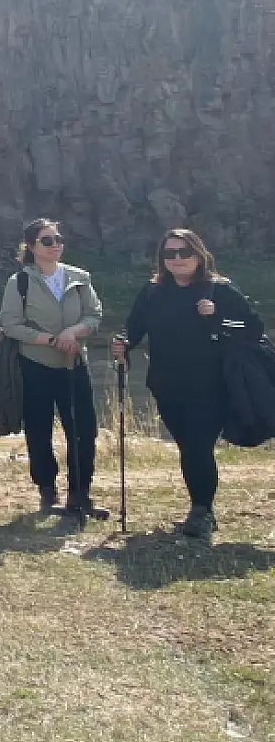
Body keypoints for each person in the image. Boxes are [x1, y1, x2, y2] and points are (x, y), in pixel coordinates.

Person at [114, 228, 265, 540]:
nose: (178, 259)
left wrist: (217, 315)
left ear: (199, 255)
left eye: (185, 252)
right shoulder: (152, 292)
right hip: (166, 384)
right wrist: (124, 344)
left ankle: (201, 512)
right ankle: (201, 508)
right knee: (187, 446)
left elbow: (253, 328)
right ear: (162, 259)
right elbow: (134, 327)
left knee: (198, 445)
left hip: (211, 385)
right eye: (170, 253)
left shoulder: (219, 289)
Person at [0, 218, 103, 528]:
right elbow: (11, 324)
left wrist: (73, 333)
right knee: (39, 431)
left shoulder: (80, 278)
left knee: (83, 431)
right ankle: (47, 491)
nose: (55, 244)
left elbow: (94, 315)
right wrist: (48, 340)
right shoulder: (19, 282)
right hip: (35, 366)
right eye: (47, 240)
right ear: (31, 247)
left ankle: (80, 494)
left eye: (58, 239)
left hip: (74, 365)